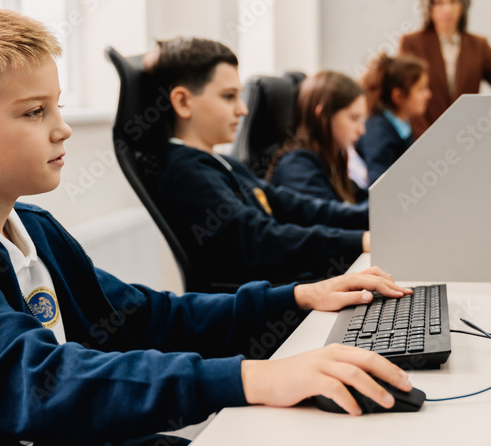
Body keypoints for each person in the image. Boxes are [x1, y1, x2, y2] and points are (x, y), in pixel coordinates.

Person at [0, 3, 413, 446]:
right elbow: (40, 379)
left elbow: (144, 317)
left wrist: (294, 300)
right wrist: (250, 378)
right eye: (33, 112)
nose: (62, 127)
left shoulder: (31, 229)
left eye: (58, 106)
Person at [149, 38, 371, 287]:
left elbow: (294, 205)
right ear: (183, 102)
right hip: (263, 306)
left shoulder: (223, 162)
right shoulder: (187, 173)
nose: (243, 109)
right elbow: (261, 240)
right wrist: (357, 241)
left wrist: (369, 223)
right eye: (229, 96)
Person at [399, 0, 491, 136]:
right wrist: (425, 142)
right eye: (439, 2)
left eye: (453, 1)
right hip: (422, 139)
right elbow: (406, 96)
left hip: (465, 140)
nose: (447, 9)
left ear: (463, 5)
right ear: (429, 7)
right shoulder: (412, 43)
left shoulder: (478, 46)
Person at [266, 70, 368, 204]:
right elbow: (332, 217)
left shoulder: (331, 160)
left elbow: (362, 198)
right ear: (323, 114)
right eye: (354, 118)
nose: (362, 131)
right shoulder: (297, 167)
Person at [355, 53, 431, 185]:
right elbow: (379, 185)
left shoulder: (401, 124)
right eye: (421, 89)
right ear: (398, 96)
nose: (428, 95)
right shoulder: (378, 132)